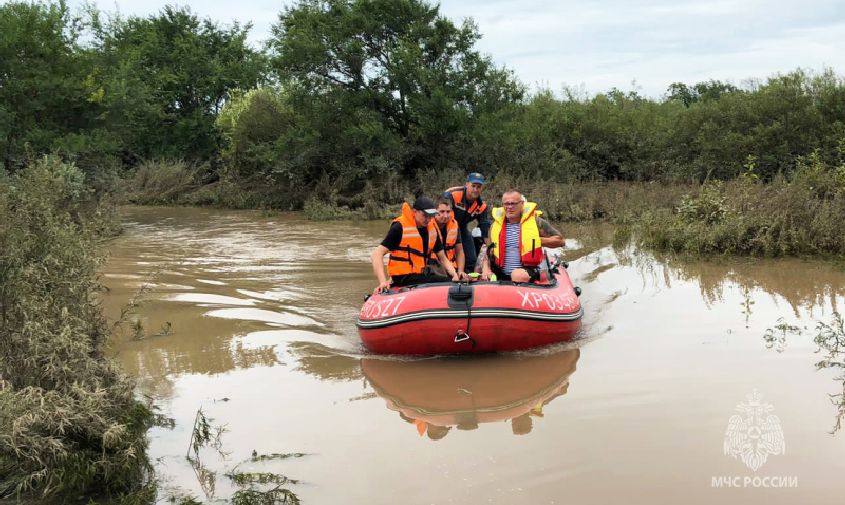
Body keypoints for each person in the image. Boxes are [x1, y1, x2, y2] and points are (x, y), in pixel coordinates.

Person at [371, 197, 461, 294]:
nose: (428, 219)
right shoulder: (399, 227)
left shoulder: (432, 228)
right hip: (403, 277)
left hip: (420, 274)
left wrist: (454, 274)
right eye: (425, 215)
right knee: (445, 283)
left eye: (430, 216)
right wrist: (383, 282)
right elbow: (376, 254)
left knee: (448, 280)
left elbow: (442, 258)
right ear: (415, 212)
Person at [480, 190, 564, 283]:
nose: (510, 207)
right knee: (481, 276)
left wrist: (537, 241)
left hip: (528, 271)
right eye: (506, 204)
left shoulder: (536, 222)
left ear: (522, 204)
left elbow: (560, 241)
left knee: (517, 275)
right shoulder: (495, 226)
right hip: (501, 272)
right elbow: (487, 251)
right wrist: (486, 269)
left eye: (513, 203)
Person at [443, 172, 491, 273]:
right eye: (473, 186)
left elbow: (485, 228)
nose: (475, 189)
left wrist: (489, 248)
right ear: (466, 184)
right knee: (447, 254)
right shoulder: (452, 194)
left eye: (479, 187)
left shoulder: (481, 206)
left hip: (462, 228)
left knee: (471, 258)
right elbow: (441, 213)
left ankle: (469, 278)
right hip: (445, 227)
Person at [428, 197, 466, 276]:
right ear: (435, 212)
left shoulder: (454, 225)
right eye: (441, 212)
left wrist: (460, 270)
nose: (445, 216)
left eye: (448, 212)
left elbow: (459, 251)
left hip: (451, 266)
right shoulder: (428, 225)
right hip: (434, 267)